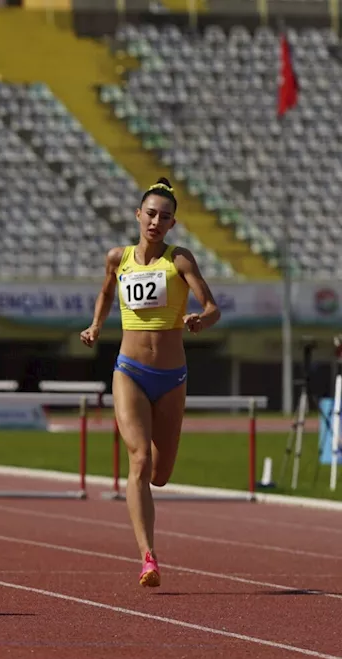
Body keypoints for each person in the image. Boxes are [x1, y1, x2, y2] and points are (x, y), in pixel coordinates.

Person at [81, 177, 221, 588]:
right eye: (151, 213)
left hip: (172, 377)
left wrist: (200, 319)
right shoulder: (117, 258)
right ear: (138, 215)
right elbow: (107, 293)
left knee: (160, 475)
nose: (156, 221)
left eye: (165, 216)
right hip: (129, 371)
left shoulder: (179, 261)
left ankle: (148, 541)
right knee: (139, 460)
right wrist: (95, 325)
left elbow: (212, 307)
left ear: (173, 224)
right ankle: (148, 557)